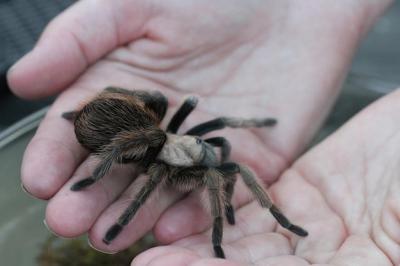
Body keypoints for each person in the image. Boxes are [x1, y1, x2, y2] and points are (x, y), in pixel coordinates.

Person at [7, 1, 398, 265]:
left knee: (209, 155)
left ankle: (262, 217)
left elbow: (218, 139)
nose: (210, 147)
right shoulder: (165, 155)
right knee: (161, 148)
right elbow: (164, 159)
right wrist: (99, 177)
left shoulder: (188, 142)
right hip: (120, 129)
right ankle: (208, 227)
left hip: (136, 129)